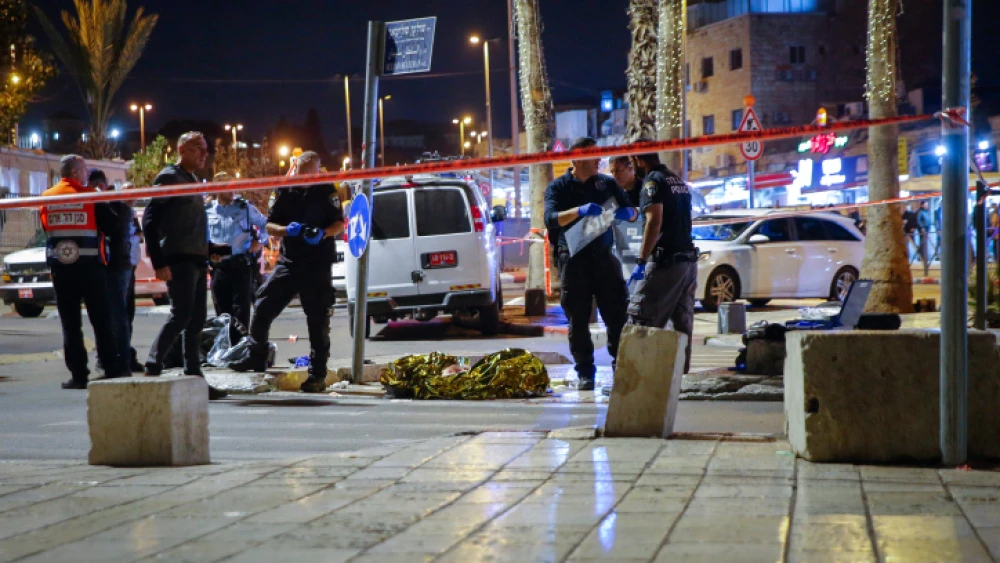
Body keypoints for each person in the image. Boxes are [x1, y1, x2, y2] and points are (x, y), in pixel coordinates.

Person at [230, 151, 345, 393]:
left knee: (317, 320)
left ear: (317, 171)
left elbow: (339, 224)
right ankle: (256, 357)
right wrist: (286, 230)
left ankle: (317, 375)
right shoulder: (284, 190)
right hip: (289, 263)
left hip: (317, 264)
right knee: (262, 307)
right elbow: (269, 224)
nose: (304, 179)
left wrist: (322, 233)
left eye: (309, 175)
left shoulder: (326, 190)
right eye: (301, 174)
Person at [543, 137, 637, 391]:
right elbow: (550, 219)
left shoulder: (606, 183)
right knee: (579, 320)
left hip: (604, 258)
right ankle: (585, 373)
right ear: (576, 159)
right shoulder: (559, 188)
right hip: (574, 261)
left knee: (617, 316)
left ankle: (621, 367)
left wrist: (626, 213)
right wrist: (579, 211)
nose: (599, 159)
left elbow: (632, 210)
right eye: (593, 155)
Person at [142, 132, 229, 400]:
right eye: (198, 149)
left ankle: (194, 375)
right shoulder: (168, 178)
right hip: (178, 259)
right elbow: (150, 221)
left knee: (197, 320)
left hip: (196, 259)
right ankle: (154, 364)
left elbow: (189, 225)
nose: (204, 154)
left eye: (205, 149)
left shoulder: (192, 180)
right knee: (182, 315)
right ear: (182, 149)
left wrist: (210, 249)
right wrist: (158, 261)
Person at [41, 155, 128, 388]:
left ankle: (79, 375)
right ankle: (110, 367)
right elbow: (112, 225)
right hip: (90, 268)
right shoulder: (89, 195)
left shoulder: (47, 197)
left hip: (61, 268)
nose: (88, 174)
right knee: (101, 320)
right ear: (77, 172)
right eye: (86, 170)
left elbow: (45, 227)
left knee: (70, 324)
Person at [626, 152, 698, 374]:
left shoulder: (653, 180)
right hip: (687, 262)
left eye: (631, 162)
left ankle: (636, 381)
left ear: (639, 160)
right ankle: (678, 380)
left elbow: (654, 221)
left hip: (666, 262)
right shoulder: (676, 180)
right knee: (680, 325)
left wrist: (641, 260)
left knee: (641, 320)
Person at [89, 169, 143, 374]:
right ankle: (119, 358)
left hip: (117, 265)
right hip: (120, 264)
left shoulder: (113, 206)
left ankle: (120, 361)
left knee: (118, 315)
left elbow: (114, 230)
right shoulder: (116, 205)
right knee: (119, 315)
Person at [205, 182, 269, 328]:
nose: (232, 191)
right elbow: (202, 237)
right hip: (219, 266)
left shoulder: (244, 207)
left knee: (241, 312)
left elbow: (265, 223)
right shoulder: (208, 210)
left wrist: (259, 241)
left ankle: (241, 346)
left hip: (241, 264)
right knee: (222, 314)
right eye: (227, 188)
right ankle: (226, 347)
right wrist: (207, 255)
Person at [916, 201, 932, 276]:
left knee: (925, 243)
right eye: (925, 204)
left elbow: (929, 219)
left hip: (927, 229)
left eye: (927, 204)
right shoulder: (920, 212)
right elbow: (918, 220)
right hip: (923, 230)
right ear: (922, 205)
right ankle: (921, 256)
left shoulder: (927, 212)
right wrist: (921, 227)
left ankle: (924, 256)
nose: (927, 206)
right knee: (922, 243)